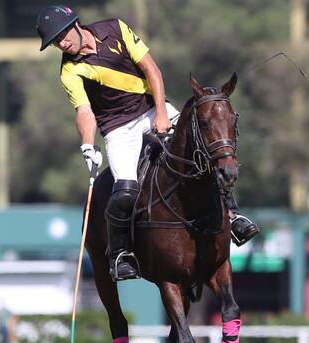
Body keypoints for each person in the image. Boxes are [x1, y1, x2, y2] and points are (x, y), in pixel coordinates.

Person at [36, 5, 260, 281]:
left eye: (62, 35)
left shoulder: (115, 29)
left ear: (75, 24)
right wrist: (87, 146)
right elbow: (84, 111)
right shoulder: (69, 71)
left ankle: (233, 215)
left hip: (153, 109)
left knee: (204, 151)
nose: (62, 43)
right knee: (125, 190)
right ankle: (120, 253)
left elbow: (151, 69)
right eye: (55, 42)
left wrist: (162, 113)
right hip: (118, 129)